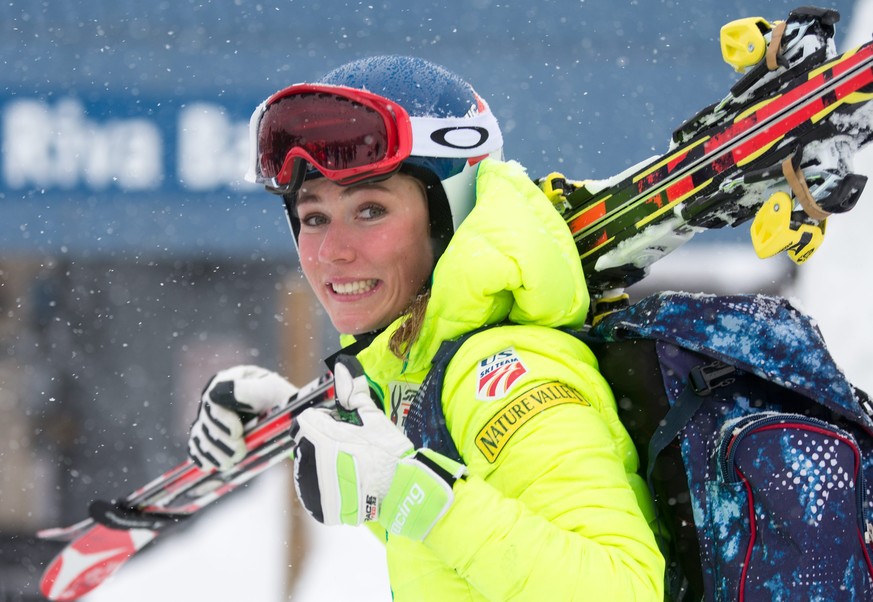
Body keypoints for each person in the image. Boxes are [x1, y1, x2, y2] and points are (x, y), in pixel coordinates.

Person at [187, 55, 664, 601]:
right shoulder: (421, 375)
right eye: (313, 217)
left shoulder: (504, 377)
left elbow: (626, 589)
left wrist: (408, 491)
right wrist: (298, 422)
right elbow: (471, 545)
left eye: (370, 210)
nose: (331, 252)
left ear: (449, 217)